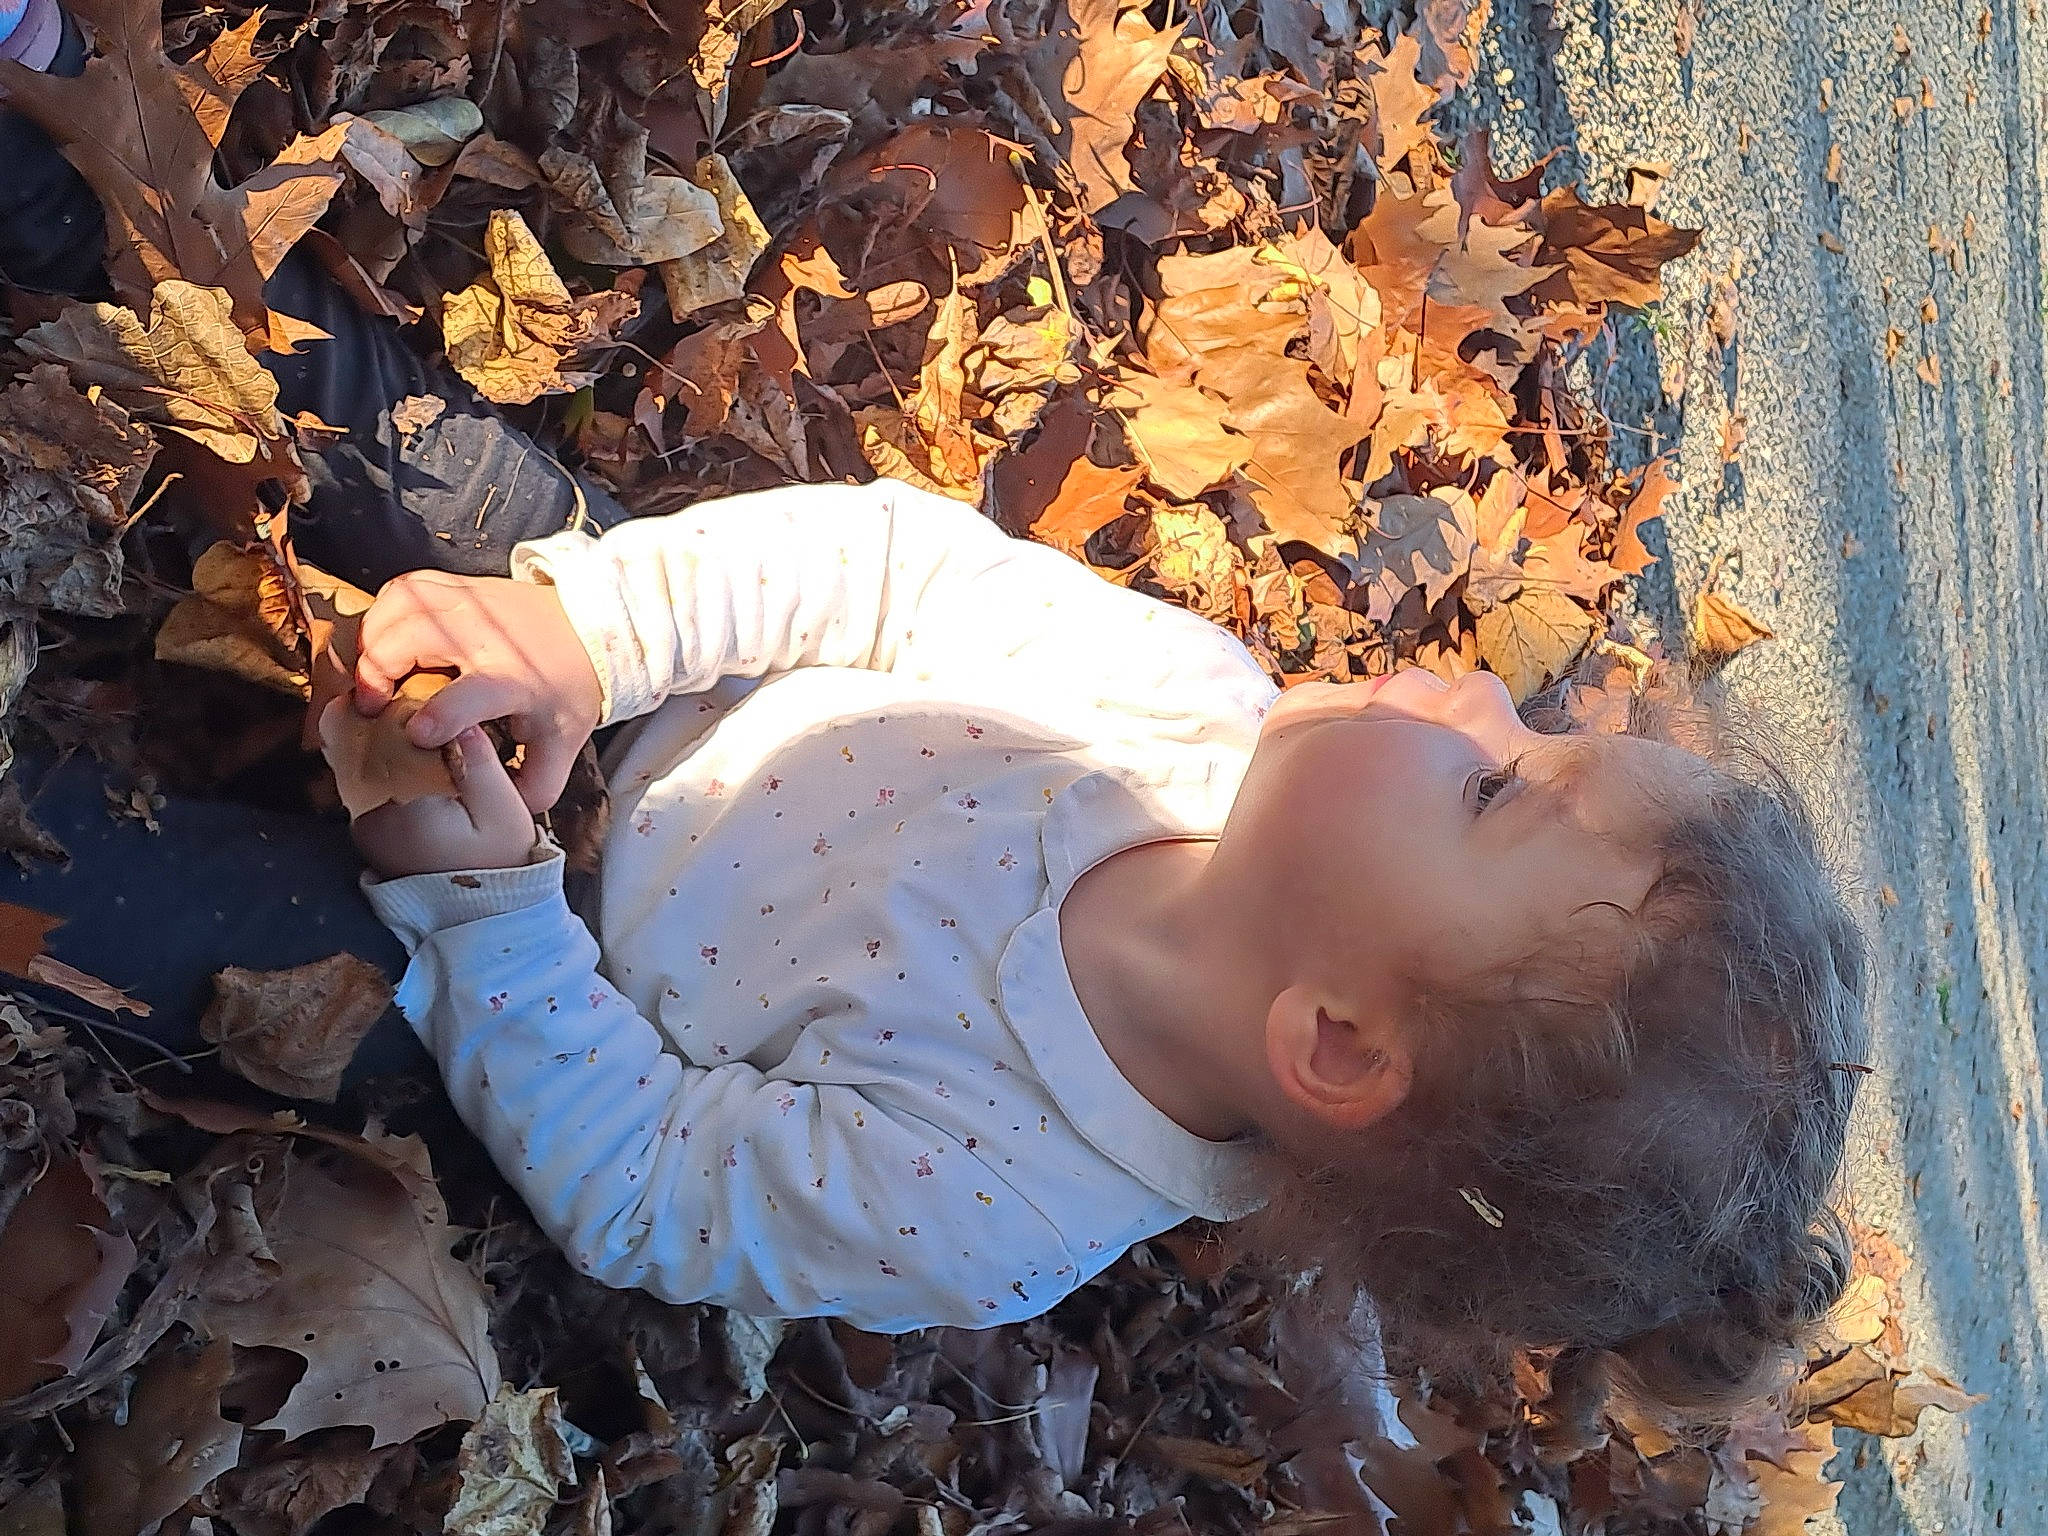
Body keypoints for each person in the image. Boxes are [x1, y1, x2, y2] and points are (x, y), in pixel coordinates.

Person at [0, 1, 1868, 1415]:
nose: (1475, 693)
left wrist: (478, 907)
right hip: (662, 671)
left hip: (519, 974)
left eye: (1491, 792)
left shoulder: (991, 1202)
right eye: (1540, 731)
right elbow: (887, 571)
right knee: (361, 409)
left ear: (1340, 1046)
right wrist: (582, 641)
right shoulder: (1189, 717)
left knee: (138, 910)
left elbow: (654, 1178)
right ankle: (53, 151)